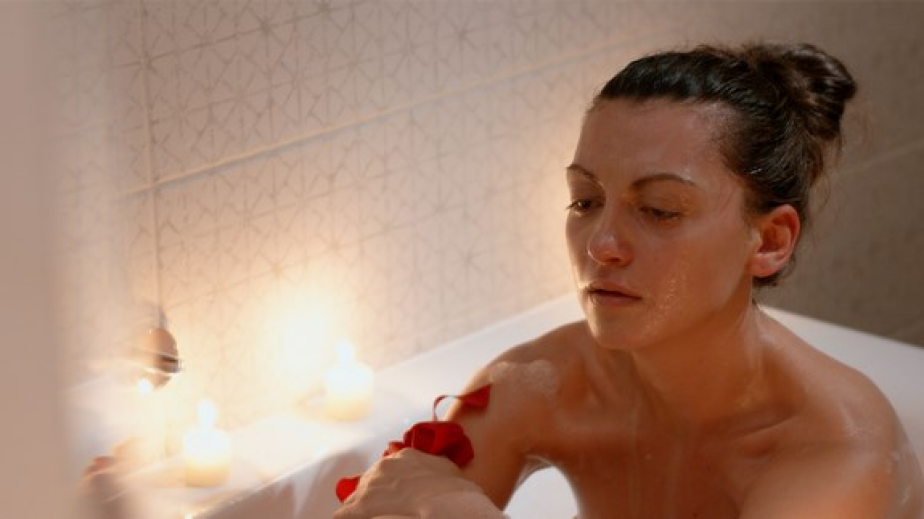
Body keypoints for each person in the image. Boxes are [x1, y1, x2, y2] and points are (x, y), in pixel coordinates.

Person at [334, 42, 924, 518]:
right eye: (585, 201)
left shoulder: (836, 451)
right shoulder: (544, 387)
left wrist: (456, 509)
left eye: (660, 210)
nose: (601, 245)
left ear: (769, 241)